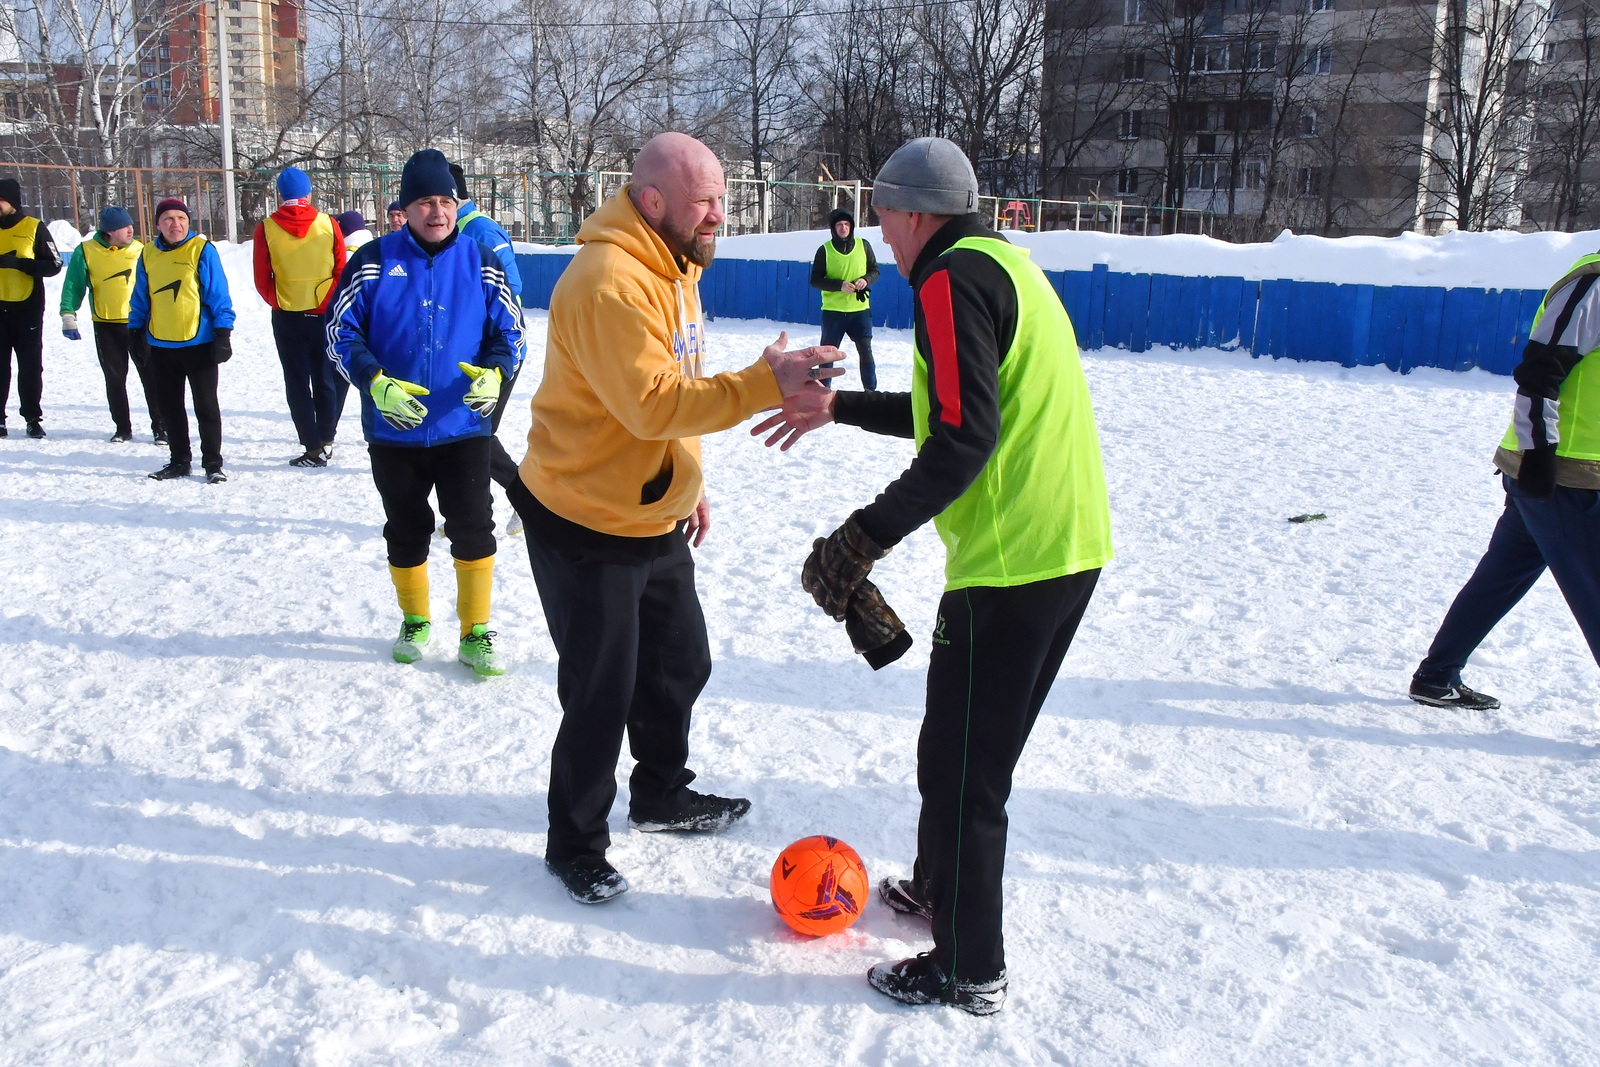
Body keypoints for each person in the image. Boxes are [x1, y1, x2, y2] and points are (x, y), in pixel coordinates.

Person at [753, 137, 1113, 1015]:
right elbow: (949, 405)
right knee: (953, 751)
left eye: (883, 215)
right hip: (1065, 547)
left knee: (965, 771)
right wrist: (840, 406)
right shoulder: (1005, 266)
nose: (878, 232)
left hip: (1012, 561)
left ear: (916, 213)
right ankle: (941, 888)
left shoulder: (951, 281)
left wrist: (862, 538)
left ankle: (969, 964)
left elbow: (960, 439)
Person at [510, 131, 844, 905]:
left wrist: (685, 479)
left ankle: (659, 793)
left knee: (680, 661)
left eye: (721, 200)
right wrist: (765, 382)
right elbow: (654, 402)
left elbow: (673, 381)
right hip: (585, 519)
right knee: (601, 688)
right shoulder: (607, 281)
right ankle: (574, 842)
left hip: (648, 509)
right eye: (706, 202)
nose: (718, 216)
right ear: (653, 201)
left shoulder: (675, 264)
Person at [328, 149, 524, 676]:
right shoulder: (371, 259)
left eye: (445, 201)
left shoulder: (481, 259)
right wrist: (374, 382)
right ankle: (415, 619)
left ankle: (476, 630)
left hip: (463, 425)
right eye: (424, 202)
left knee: (473, 526)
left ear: (456, 205)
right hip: (396, 430)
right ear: (405, 208)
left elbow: (511, 330)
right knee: (407, 526)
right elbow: (339, 331)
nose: (436, 212)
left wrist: (497, 372)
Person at [1409, 251, 1600, 711]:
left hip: (1568, 473)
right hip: (1563, 475)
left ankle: (1436, 678)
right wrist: (1538, 456)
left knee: (1500, 576)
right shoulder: (1591, 286)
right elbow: (1540, 372)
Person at [130, 198, 235, 482]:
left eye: (181, 218)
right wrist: (135, 331)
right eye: (168, 219)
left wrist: (223, 333)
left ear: (188, 222)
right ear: (157, 224)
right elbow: (141, 296)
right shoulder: (148, 253)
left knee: (206, 407)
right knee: (170, 408)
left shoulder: (201, 250)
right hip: (162, 344)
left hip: (198, 344)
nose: (175, 224)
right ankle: (179, 461)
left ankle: (213, 463)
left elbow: (219, 294)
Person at [252, 166, 349, 468]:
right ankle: (327, 437)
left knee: (296, 382)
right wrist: (325, 301)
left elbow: (261, 276)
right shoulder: (329, 224)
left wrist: (279, 300)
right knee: (325, 378)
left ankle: (311, 446)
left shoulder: (266, 228)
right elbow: (341, 270)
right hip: (322, 315)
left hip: (287, 315)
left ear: (280, 195)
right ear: (308, 194)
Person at [449, 164, 528, 527]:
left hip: (497, 352)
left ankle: (527, 501)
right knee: (470, 435)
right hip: (473, 352)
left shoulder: (480, 230)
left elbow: (511, 290)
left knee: (476, 435)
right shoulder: (457, 229)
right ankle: (471, 514)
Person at [60, 206, 164, 443]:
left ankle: (161, 427)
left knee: (152, 376)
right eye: (123, 227)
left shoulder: (143, 250)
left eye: (131, 225)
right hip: (106, 325)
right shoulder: (86, 251)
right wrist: (68, 314)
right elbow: (73, 285)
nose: (130, 230)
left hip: (140, 325)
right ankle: (122, 427)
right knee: (115, 379)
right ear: (109, 231)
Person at [0, 176, 62, 438]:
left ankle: (32, 417)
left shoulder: (34, 227)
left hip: (27, 308)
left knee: (30, 365)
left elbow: (55, 265)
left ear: (12, 201)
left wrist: (20, 265)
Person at [809, 208, 879, 389]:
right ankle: (823, 391)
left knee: (866, 352)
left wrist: (866, 280)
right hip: (834, 312)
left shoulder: (863, 245)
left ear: (852, 226)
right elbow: (815, 281)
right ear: (833, 228)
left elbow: (875, 271)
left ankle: (870, 392)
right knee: (827, 355)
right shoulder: (824, 250)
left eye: (847, 224)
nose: (843, 227)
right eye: (839, 224)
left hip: (860, 311)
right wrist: (839, 285)